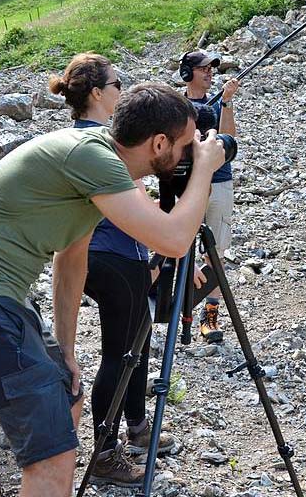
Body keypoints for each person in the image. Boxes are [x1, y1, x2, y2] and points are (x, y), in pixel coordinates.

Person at [0, 82, 226, 496]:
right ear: (159, 143)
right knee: (50, 456)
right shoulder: (93, 158)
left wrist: (65, 352)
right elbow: (173, 240)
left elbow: (71, 260)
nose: (191, 154)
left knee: (68, 395)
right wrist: (206, 171)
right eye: (186, 145)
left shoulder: (97, 160)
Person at [49, 54, 178, 487]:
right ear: (97, 93)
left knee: (135, 340)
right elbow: (135, 206)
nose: (122, 91)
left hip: (108, 254)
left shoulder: (84, 138)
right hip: (112, 254)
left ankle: (136, 426)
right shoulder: (100, 144)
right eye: (117, 84)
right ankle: (105, 454)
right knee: (120, 352)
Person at [179, 50, 240, 343]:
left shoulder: (217, 102)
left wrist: (226, 102)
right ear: (187, 73)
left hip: (220, 181)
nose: (209, 73)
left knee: (215, 252)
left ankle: (209, 315)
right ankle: (178, 309)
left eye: (211, 68)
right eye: (203, 68)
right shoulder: (176, 106)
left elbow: (229, 139)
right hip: (188, 184)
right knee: (180, 247)